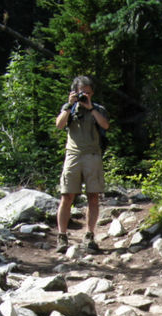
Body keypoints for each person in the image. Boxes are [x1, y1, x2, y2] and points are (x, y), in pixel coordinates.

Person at [55, 75, 110, 253]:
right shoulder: (69, 109)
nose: (84, 95)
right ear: (74, 92)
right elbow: (59, 125)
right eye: (81, 92)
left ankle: (89, 234)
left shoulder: (98, 109)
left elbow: (105, 125)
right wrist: (69, 105)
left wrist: (91, 108)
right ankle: (62, 236)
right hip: (73, 155)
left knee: (93, 196)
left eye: (87, 92)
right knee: (67, 196)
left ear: (92, 92)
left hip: (92, 155)